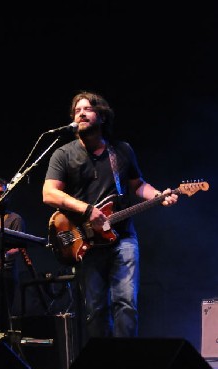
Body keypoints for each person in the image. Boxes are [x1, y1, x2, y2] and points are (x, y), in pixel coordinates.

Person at [42, 91, 179, 339]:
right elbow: (49, 194)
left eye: (87, 109)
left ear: (102, 116)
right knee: (95, 309)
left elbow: (138, 185)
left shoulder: (122, 151)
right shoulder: (63, 154)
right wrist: (87, 210)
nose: (81, 114)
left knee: (126, 303)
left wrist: (159, 194)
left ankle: (125, 364)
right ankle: (101, 366)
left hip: (122, 236)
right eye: (76, 111)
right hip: (86, 241)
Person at [0, 177, 25, 333]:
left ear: (7, 195)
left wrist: (3, 255)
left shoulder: (15, 219)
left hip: (6, 274)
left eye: (1, 192)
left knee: (2, 315)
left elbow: (19, 247)